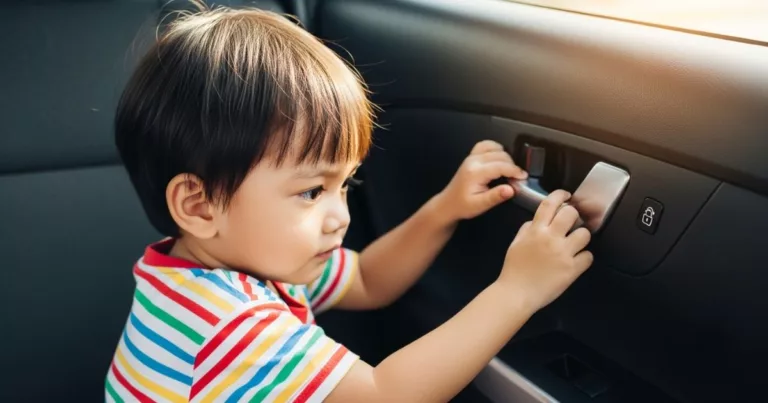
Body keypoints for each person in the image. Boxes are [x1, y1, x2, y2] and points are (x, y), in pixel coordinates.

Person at [105, 5, 593, 402]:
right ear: (200, 206)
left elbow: (365, 279)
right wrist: (518, 291)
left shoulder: (231, 264)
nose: (341, 215)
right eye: (312, 191)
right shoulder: (225, 324)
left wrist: (444, 209)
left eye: (346, 185)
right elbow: (387, 396)